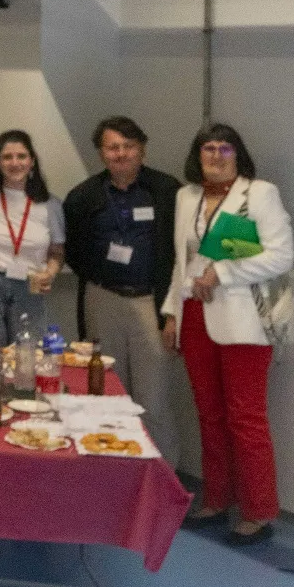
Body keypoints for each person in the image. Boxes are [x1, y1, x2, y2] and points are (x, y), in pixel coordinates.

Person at [164, 124, 292, 545]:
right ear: (197, 154)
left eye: (225, 148)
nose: (216, 155)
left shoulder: (259, 194)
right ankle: (216, 499)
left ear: (238, 154)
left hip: (245, 321)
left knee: (245, 418)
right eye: (208, 148)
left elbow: (280, 256)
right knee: (209, 415)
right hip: (193, 314)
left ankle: (258, 511)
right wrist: (171, 313)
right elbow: (181, 261)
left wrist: (221, 272)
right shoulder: (186, 196)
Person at [63, 117, 187, 468]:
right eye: (112, 147)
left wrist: (172, 312)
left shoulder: (167, 191)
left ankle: (162, 480)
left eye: (128, 146)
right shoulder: (83, 196)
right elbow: (74, 251)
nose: (121, 154)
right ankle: (114, 475)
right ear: (101, 153)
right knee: (106, 392)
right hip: (103, 298)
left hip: (151, 301)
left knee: (154, 399)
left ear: (142, 149)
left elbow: (182, 251)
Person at [0, 129, 66, 348]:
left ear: (32, 161)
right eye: (7, 157)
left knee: (29, 354)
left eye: (21, 156)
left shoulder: (49, 204)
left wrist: (49, 273)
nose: (15, 163)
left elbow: (57, 252)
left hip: (30, 286)